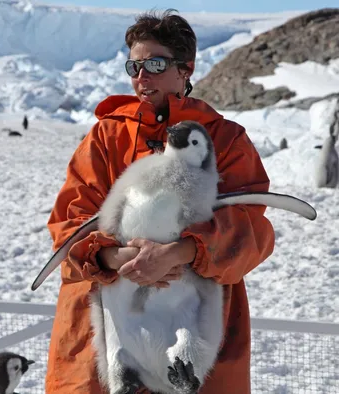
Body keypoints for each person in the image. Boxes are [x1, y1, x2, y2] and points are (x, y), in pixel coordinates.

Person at [45, 9, 275, 394]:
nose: (141, 76)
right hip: (108, 318)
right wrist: (116, 258)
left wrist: (179, 252)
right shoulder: (107, 135)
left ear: (186, 69)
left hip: (193, 317)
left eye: (154, 63)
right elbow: (71, 219)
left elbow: (250, 229)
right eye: (133, 66)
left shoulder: (225, 140)